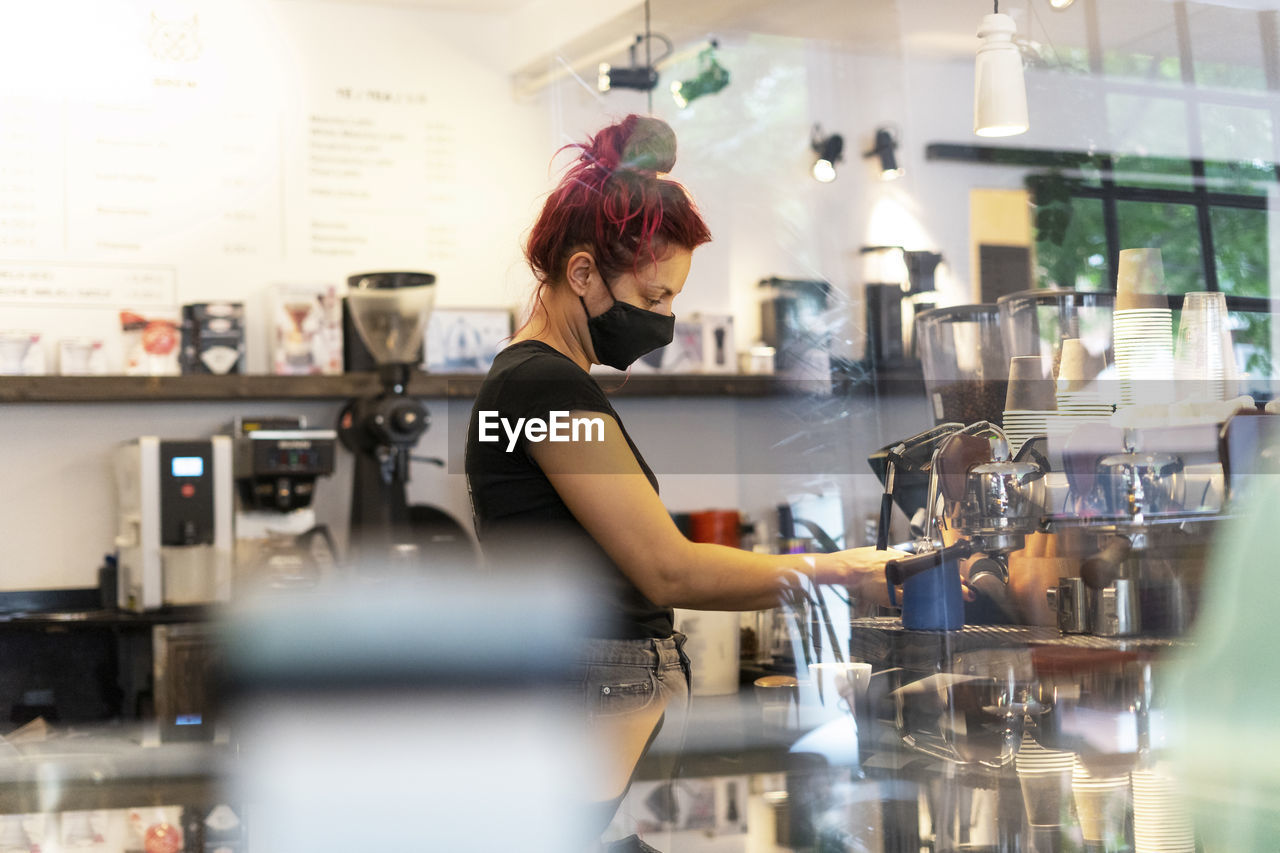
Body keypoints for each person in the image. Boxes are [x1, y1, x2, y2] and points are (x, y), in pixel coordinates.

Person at [464, 114, 904, 850]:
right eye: (657, 296)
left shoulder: (526, 382)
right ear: (581, 274)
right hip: (597, 693)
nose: (664, 319)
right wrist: (845, 572)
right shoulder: (544, 388)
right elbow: (666, 567)